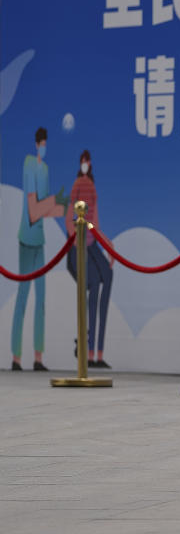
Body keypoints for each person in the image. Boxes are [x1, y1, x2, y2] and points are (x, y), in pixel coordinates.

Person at [11, 127, 66, 371]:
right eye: (42, 143)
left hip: (40, 240)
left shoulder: (45, 169)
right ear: (37, 144)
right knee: (23, 298)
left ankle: (38, 357)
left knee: (41, 299)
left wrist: (66, 208)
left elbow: (45, 210)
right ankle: (15, 357)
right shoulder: (29, 165)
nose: (43, 146)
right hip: (27, 239)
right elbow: (33, 212)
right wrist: (54, 201)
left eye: (45, 143)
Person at [65, 150, 115, 368]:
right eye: (83, 162)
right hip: (77, 244)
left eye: (88, 162)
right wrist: (74, 239)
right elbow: (69, 218)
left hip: (93, 243)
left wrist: (108, 246)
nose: (86, 165)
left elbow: (96, 221)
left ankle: (98, 351)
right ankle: (86, 347)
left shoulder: (92, 187)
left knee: (109, 276)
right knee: (94, 284)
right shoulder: (77, 184)